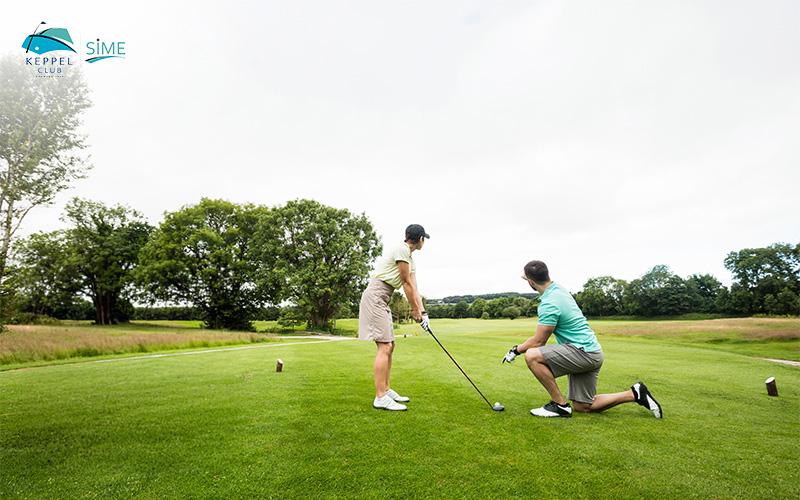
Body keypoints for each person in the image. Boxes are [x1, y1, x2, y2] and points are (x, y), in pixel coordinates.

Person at [501, 260, 662, 418]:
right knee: (584, 406)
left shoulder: (549, 303)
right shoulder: (558, 289)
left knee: (532, 355)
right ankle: (634, 394)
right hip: (593, 352)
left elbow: (538, 342)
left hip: (581, 352)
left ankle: (560, 405)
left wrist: (515, 350)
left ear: (530, 281)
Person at [358, 224, 430, 411]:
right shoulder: (401, 249)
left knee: (391, 344)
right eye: (424, 239)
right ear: (421, 239)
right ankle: (380, 397)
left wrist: (423, 313)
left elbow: (414, 287)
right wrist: (413, 310)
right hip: (376, 296)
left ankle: (386, 390)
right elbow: (405, 282)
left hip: (384, 298)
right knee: (385, 345)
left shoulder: (409, 258)